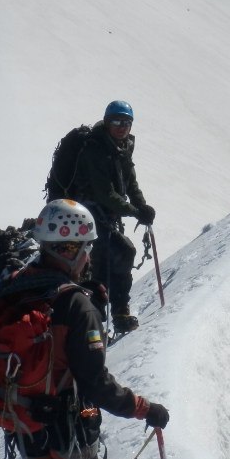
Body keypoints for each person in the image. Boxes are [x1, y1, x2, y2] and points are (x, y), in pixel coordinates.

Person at [3, 199, 170, 459]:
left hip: (24, 423)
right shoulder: (73, 303)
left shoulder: (17, 285)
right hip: (67, 426)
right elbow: (96, 382)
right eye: (86, 247)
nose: (90, 254)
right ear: (70, 248)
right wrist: (143, 408)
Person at [66, 100, 155, 333]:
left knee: (115, 256)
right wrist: (136, 212)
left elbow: (130, 183)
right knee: (111, 256)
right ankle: (103, 313)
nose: (121, 126)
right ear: (107, 122)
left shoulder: (123, 146)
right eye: (116, 121)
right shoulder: (95, 149)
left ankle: (110, 312)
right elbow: (103, 193)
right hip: (87, 214)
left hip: (105, 214)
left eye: (126, 122)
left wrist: (142, 206)